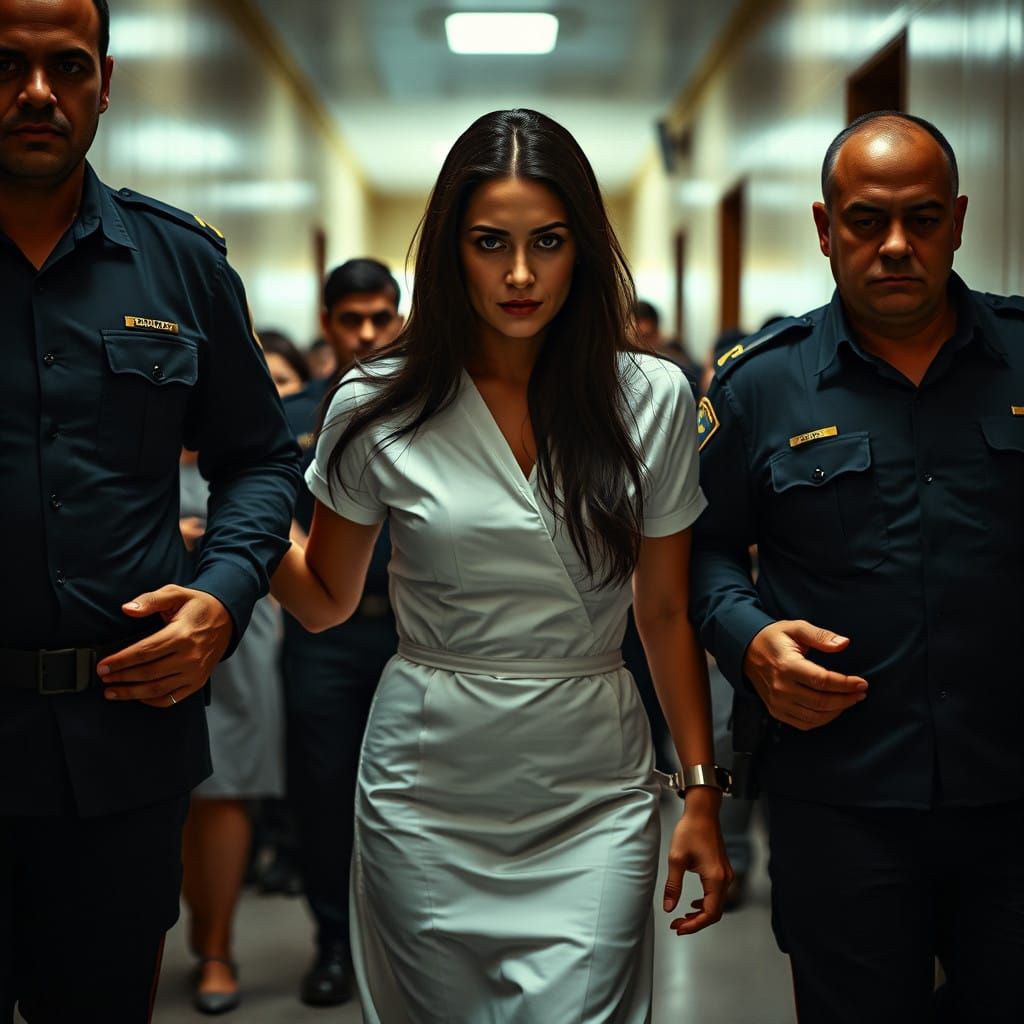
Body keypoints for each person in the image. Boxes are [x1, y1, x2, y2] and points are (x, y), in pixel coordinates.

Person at [272, 107, 731, 1023]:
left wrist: (702, 791)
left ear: (584, 250)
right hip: (428, 781)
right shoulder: (378, 403)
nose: (520, 275)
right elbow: (324, 600)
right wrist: (248, 501)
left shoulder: (651, 397)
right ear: (451, 251)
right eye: (490, 243)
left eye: (548, 243)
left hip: (592, 778)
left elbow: (667, 612)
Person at [0, 1, 300, 1021]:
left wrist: (221, 596)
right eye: (8, 63)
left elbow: (259, 461)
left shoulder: (180, 266)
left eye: (66, 66)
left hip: (122, 741)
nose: (38, 91)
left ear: (106, 82)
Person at [691, 110, 1024, 1023]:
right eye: (867, 220)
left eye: (921, 219)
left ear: (958, 220)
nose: (895, 246)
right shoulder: (761, 385)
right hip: (841, 797)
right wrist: (747, 638)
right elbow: (699, 548)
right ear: (825, 227)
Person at [280, 258, 400, 1006]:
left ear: (398, 317)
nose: (365, 333)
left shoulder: (428, 406)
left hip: (412, 632)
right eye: (350, 319)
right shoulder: (293, 420)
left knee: (407, 793)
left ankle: (400, 943)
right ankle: (332, 943)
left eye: (379, 318)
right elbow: (269, 507)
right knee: (323, 793)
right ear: (326, 322)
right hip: (322, 635)